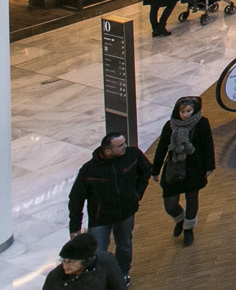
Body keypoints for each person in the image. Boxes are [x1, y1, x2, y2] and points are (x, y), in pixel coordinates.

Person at [68, 132, 151, 281]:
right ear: (107, 151)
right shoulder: (89, 170)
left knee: (124, 246)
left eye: (124, 142)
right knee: (98, 252)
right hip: (100, 219)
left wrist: (136, 195)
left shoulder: (132, 155)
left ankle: (122, 274)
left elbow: (146, 170)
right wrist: (75, 227)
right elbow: (76, 198)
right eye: (120, 145)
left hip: (125, 213)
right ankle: (99, 280)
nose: (125, 146)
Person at [150, 95, 215, 247]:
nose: (185, 115)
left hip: (194, 168)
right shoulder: (170, 125)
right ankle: (180, 219)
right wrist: (155, 169)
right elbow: (161, 148)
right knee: (170, 204)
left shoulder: (202, 123)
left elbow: (207, 145)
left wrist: (209, 166)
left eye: (188, 111)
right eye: (182, 111)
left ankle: (188, 229)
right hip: (173, 167)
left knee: (192, 198)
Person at [45, 232, 124, 290]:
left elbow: (119, 287)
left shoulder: (106, 262)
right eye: (64, 260)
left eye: (70, 261)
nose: (65, 265)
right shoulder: (54, 277)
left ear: (85, 261)